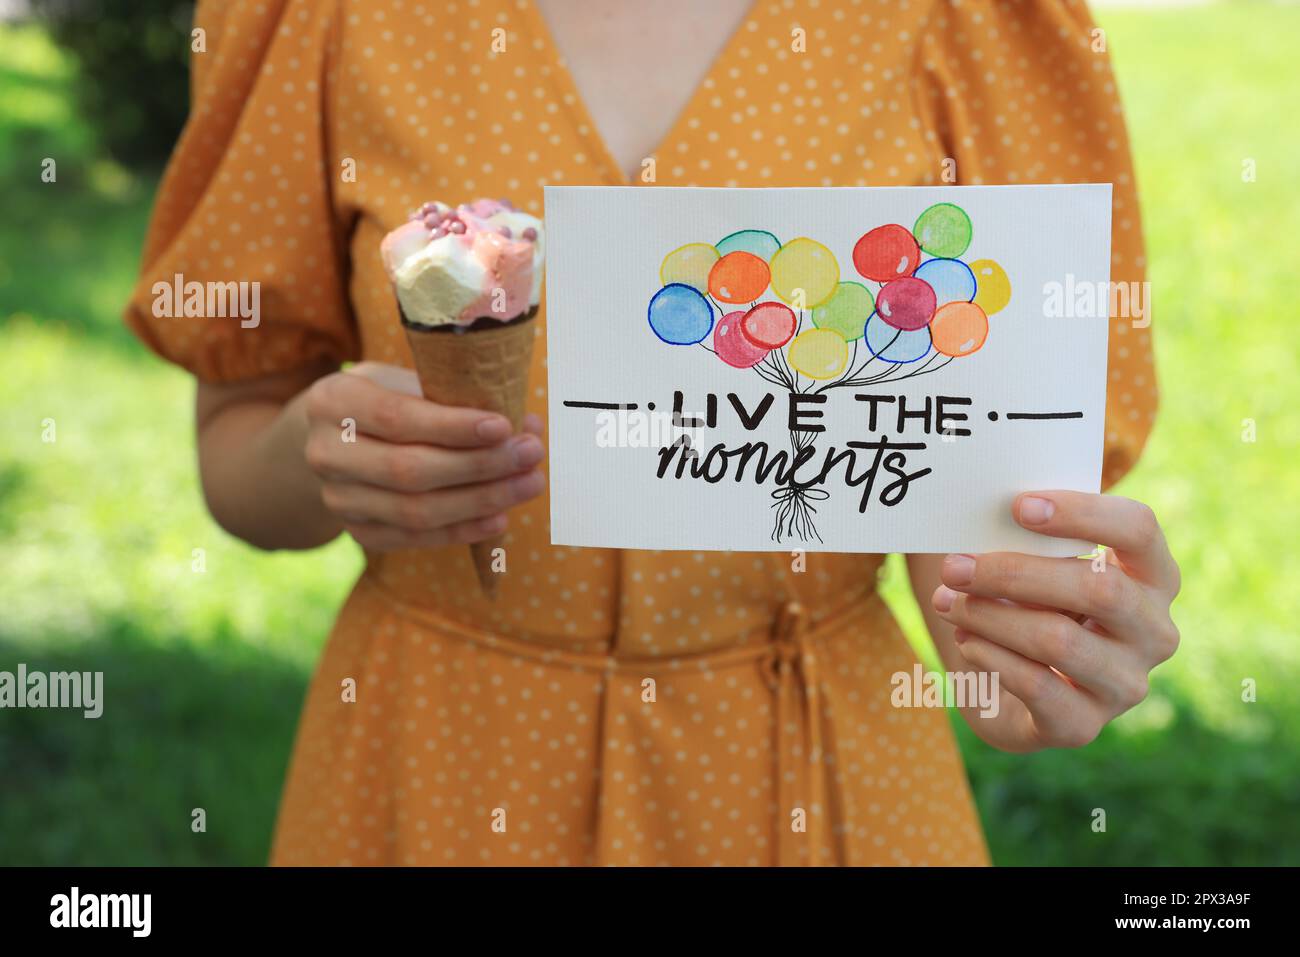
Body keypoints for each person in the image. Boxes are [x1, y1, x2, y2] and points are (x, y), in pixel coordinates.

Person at [124, 0, 1179, 865]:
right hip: (438, 762)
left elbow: (968, 552)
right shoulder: (330, 14)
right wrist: (321, 458)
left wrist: (1034, 656)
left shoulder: (966, 17)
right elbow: (239, 444)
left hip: (815, 780)